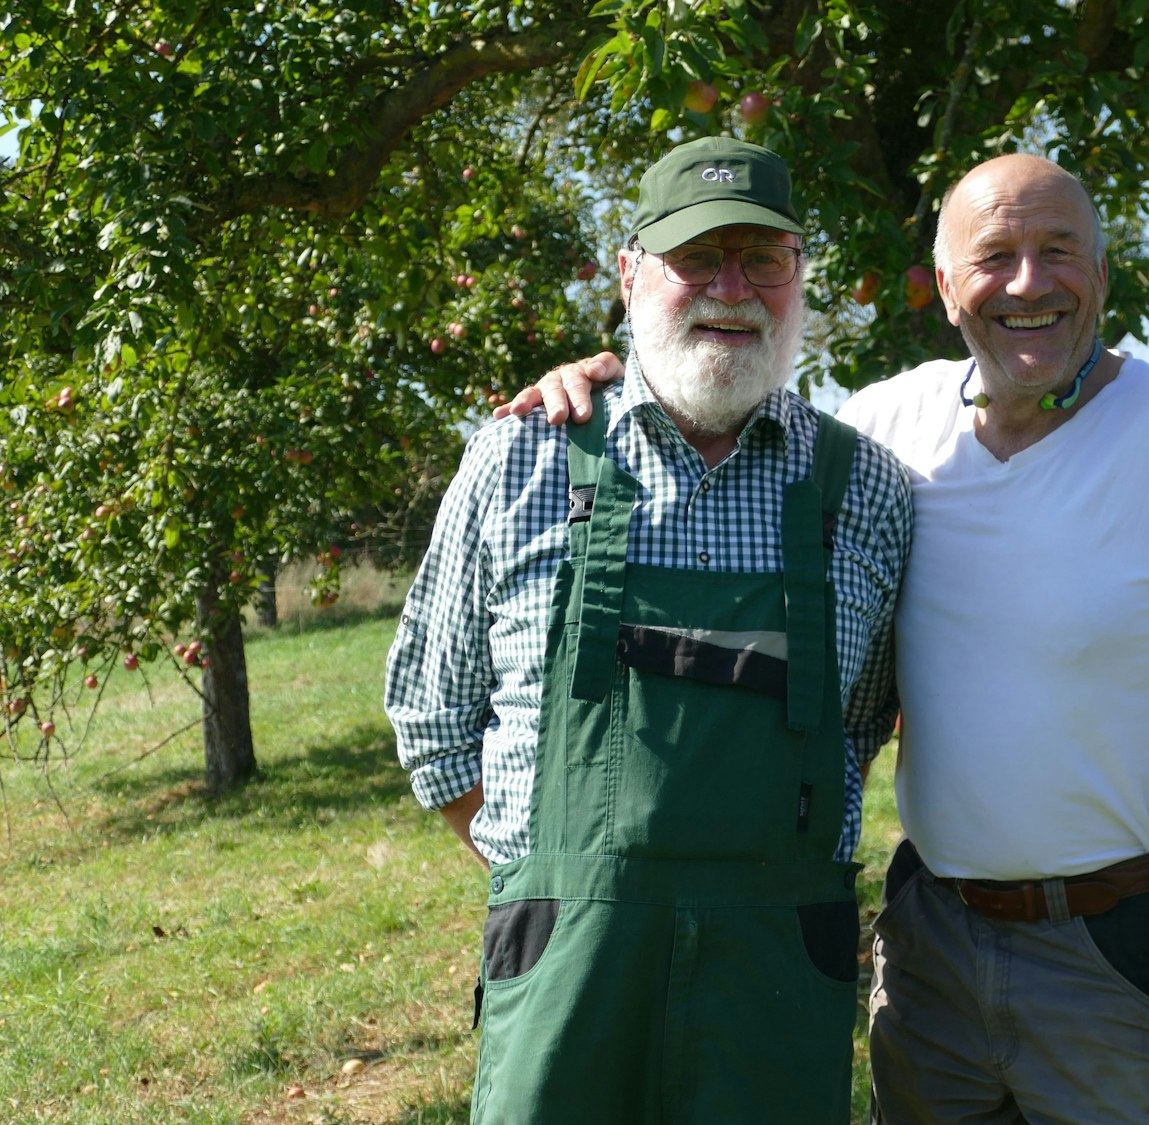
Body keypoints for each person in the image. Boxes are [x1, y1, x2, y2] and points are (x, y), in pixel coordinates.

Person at [510, 153, 1149, 1124]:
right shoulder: (891, 429)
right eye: (995, 255)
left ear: (1100, 276)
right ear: (942, 286)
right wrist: (604, 375)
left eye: (1058, 252)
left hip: (1118, 945)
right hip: (930, 941)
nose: (1028, 282)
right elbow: (725, 406)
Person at [386, 136, 913, 1125]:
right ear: (628, 276)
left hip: (773, 994)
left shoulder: (868, 490)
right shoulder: (521, 460)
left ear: (800, 275)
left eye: (762, 259)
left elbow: (867, 724)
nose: (731, 288)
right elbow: (431, 719)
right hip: (563, 980)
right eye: (695, 258)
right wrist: (552, 886)